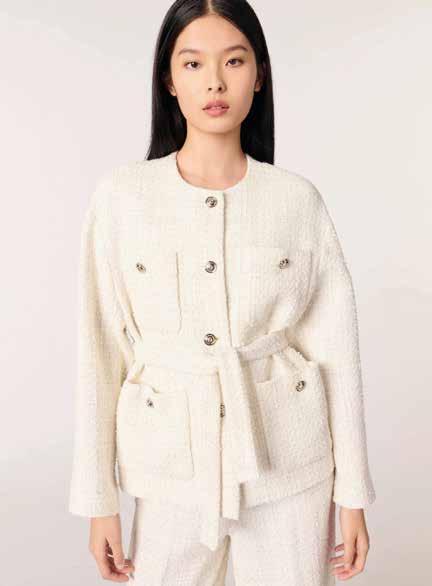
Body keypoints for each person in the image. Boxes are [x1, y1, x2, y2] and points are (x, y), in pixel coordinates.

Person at [68, 1, 377, 584]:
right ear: (168, 80)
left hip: (288, 465)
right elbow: (99, 351)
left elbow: (338, 353)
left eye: (234, 61)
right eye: (192, 64)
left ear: (259, 75)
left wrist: (353, 493)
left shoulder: (296, 200)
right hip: (169, 468)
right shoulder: (123, 199)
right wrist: (98, 500)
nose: (214, 81)